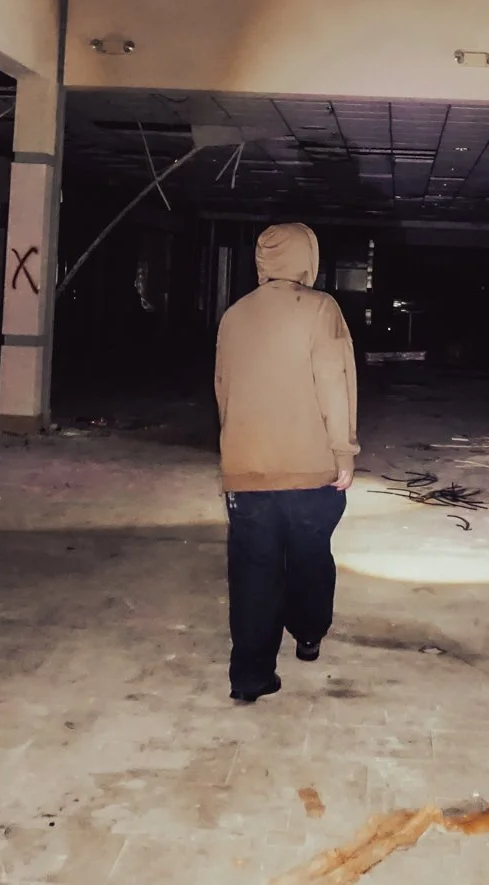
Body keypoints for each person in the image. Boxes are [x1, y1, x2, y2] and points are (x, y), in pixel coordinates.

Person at [214, 222, 358, 704]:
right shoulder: (320, 309)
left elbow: (222, 388)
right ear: (307, 257)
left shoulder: (234, 315)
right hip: (309, 470)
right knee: (309, 558)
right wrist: (343, 451)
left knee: (253, 572)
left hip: (247, 470)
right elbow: (335, 384)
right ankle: (309, 633)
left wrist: (236, 447)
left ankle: (250, 677)